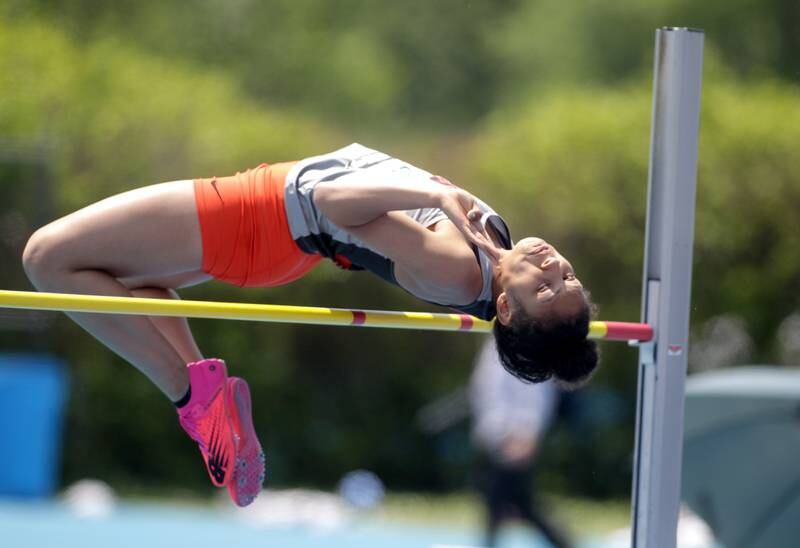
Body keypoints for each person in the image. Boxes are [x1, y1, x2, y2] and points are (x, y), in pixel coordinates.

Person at [20, 143, 598, 506]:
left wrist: (429, 191)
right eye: (567, 279)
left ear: (505, 311)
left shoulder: (453, 271)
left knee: (48, 257)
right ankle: (200, 393)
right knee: (132, 286)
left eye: (544, 290)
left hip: (256, 216)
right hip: (268, 228)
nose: (554, 268)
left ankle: (193, 398)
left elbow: (331, 199)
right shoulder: (489, 252)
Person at [470, 337, 572, 548]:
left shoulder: (529, 346)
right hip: (499, 435)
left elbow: (537, 395)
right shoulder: (495, 345)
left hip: (515, 436)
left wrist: (527, 433)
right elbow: (486, 389)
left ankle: (564, 544)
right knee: (504, 501)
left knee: (508, 501)